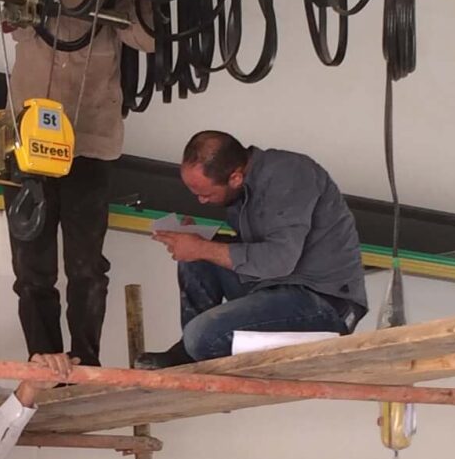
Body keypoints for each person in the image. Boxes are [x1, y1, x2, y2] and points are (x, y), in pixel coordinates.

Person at [0, 6, 152, 371]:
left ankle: (85, 363)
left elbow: (146, 39)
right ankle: (43, 362)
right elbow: (11, 19)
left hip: (90, 147)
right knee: (32, 267)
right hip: (27, 145)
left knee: (87, 267)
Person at [143, 130, 368, 364]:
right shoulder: (242, 190)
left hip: (324, 304)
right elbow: (252, 255)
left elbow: (278, 260)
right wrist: (197, 242)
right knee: (197, 261)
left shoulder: (288, 175)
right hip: (274, 289)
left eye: (206, 193)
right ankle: (189, 352)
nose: (201, 201)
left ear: (235, 178)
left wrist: (201, 247)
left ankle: (195, 346)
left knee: (202, 337)